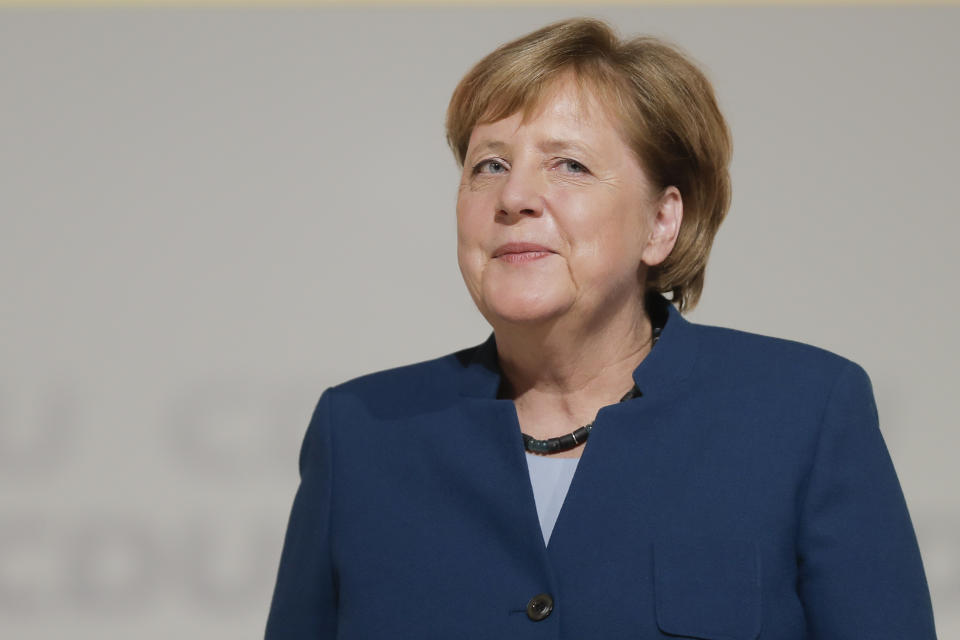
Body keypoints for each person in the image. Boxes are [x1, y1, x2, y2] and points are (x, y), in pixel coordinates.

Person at [264, 18, 937, 639]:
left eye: (569, 165)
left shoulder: (803, 415)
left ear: (660, 223)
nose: (514, 197)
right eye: (488, 165)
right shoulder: (358, 434)